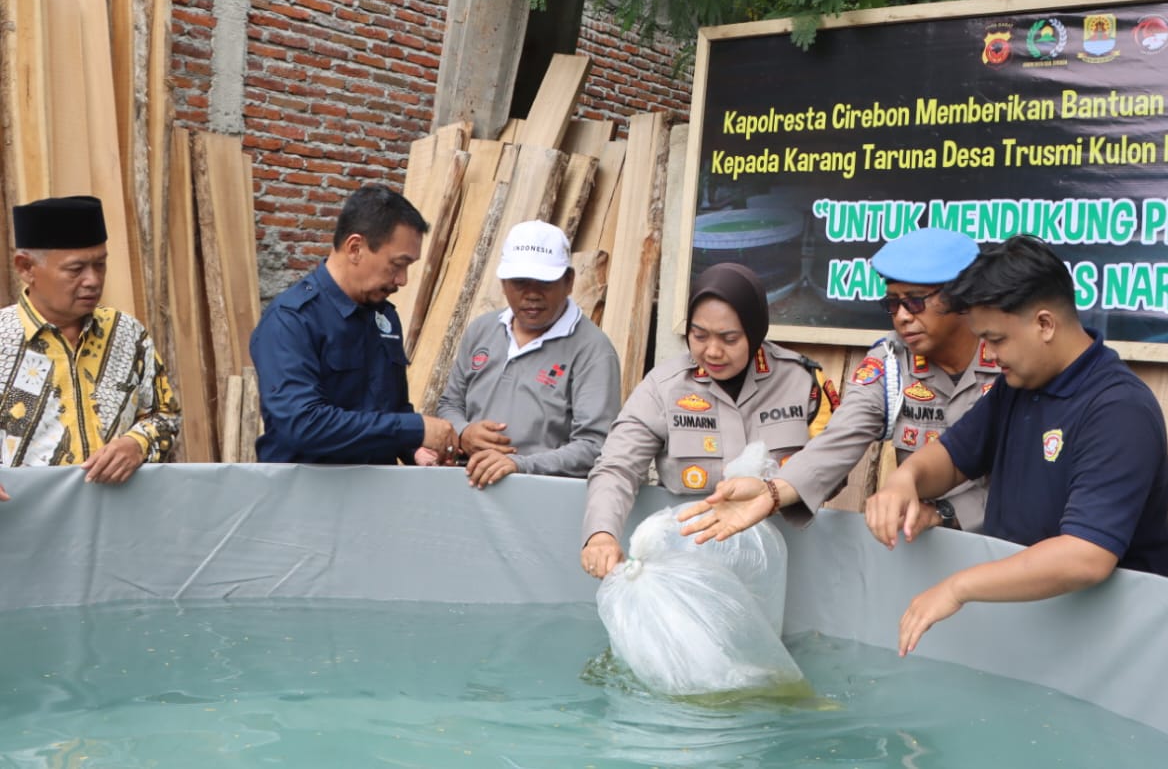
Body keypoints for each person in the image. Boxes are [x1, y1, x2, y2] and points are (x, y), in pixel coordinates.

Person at [865, 235, 1168, 656]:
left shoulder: (1119, 409)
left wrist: (958, 587)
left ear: (1045, 324)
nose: (988, 354)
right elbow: (954, 457)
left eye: (996, 339)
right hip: (1029, 629)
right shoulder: (1019, 386)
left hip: (1107, 647)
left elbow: (1085, 556)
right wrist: (906, 479)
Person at [579, 262, 868, 579]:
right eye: (699, 335)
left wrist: (776, 492)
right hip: (688, 562)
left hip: (782, 565)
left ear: (755, 330)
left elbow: (833, 468)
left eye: (729, 339)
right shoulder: (664, 387)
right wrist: (601, 533)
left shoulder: (803, 383)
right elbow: (617, 465)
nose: (712, 351)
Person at [251, 185, 458, 464]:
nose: (403, 280)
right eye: (397, 264)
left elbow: (391, 409)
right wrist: (414, 428)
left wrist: (415, 450)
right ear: (355, 248)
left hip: (374, 498)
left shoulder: (383, 317)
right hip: (305, 500)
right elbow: (303, 425)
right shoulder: (291, 320)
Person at [829, 227, 999, 534]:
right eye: (893, 303)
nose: (902, 316)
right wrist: (774, 491)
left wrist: (945, 512)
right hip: (921, 546)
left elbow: (1033, 482)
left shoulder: (1009, 359)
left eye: (916, 301)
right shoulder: (891, 361)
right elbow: (839, 437)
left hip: (1009, 548)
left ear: (961, 297)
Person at [0, 195, 180, 481]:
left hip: (117, 517)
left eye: (100, 265)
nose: (93, 280)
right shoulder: (3, 340)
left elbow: (166, 414)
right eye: (76, 269)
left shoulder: (127, 335)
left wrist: (137, 442)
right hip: (21, 520)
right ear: (26, 268)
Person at [434, 220, 621, 488]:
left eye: (545, 282)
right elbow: (450, 403)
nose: (532, 294)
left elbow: (595, 446)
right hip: (468, 486)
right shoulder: (482, 331)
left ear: (568, 282)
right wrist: (464, 432)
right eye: (520, 282)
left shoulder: (592, 350)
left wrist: (522, 465)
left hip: (541, 499)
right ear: (503, 283)